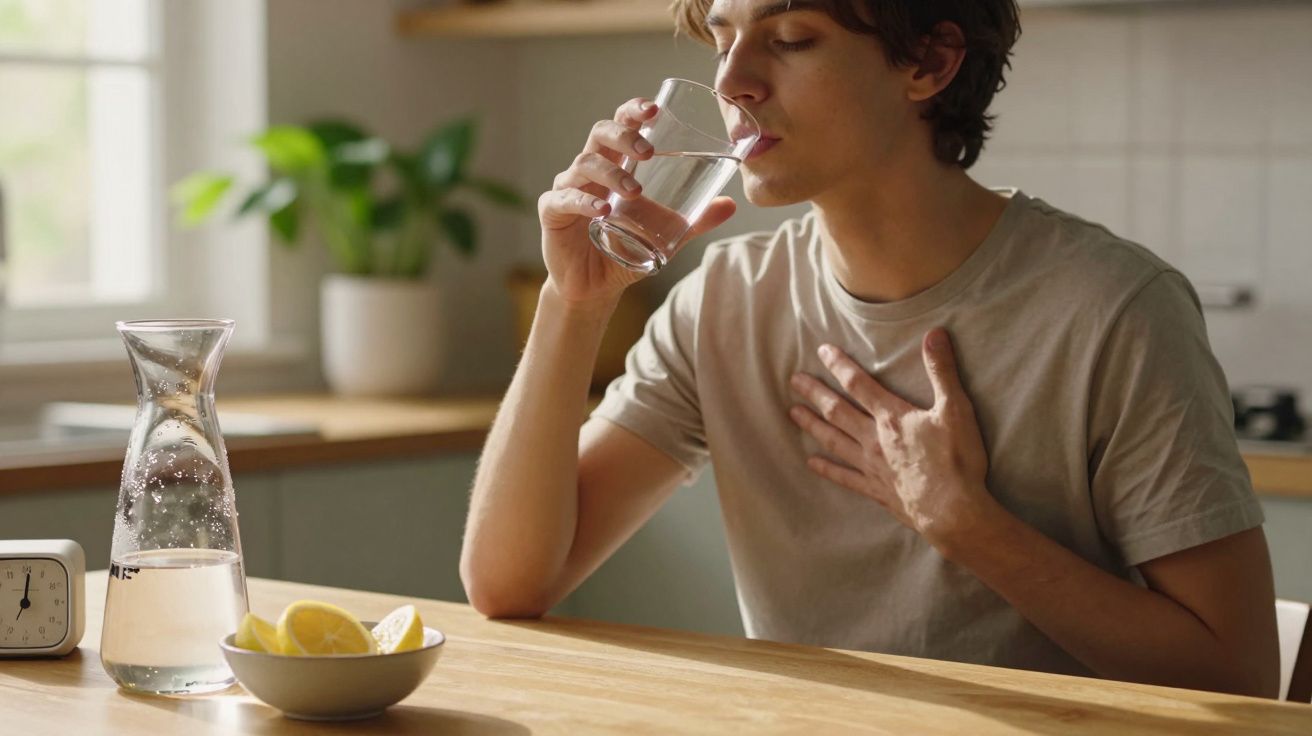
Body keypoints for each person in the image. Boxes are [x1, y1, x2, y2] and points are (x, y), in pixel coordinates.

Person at [460, 0, 1280, 697]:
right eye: (721, 37)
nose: (732, 82)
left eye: (789, 39)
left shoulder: (1115, 310)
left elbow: (1237, 677)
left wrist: (967, 526)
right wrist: (576, 305)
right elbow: (509, 585)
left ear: (928, 61)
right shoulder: (724, 301)